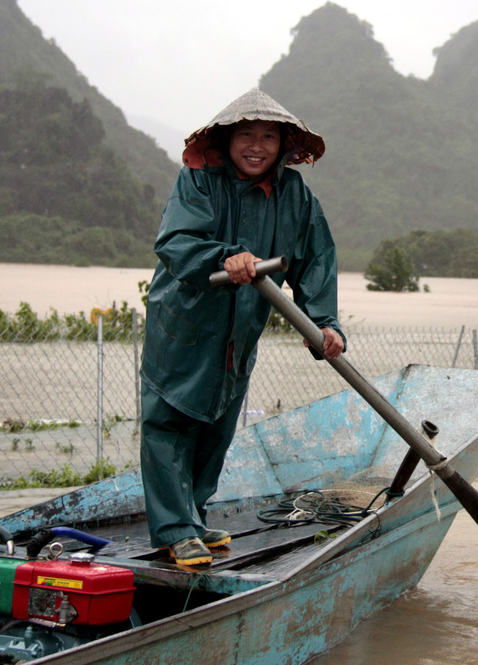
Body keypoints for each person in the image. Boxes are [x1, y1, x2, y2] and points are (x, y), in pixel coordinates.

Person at [139, 88, 345, 565]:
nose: (257, 146)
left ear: (284, 143)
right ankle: (173, 529)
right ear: (228, 140)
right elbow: (176, 240)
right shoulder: (200, 181)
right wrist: (222, 257)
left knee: (218, 421)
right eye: (247, 135)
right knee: (170, 422)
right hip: (186, 323)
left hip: (240, 330)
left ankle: (192, 513)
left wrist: (325, 324)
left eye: (268, 136)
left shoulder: (294, 195)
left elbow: (316, 260)